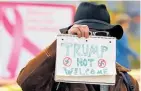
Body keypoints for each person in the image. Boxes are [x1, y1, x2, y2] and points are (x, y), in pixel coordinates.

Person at [17, 2, 139, 91]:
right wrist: (61, 45)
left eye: (100, 34)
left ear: (109, 38)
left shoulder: (127, 82)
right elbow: (26, 83)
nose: (92, 40)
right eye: (85, 34)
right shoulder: (55, 75)